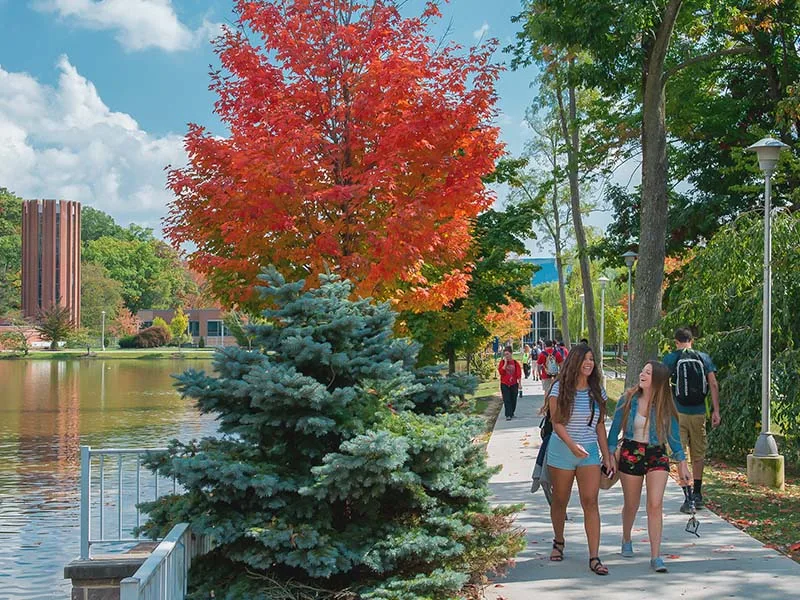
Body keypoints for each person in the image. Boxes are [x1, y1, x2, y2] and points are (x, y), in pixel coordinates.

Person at [607, 361, 692, 573]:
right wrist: (609, 455)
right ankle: (626, 538)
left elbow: (673, 437)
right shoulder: (628, 399)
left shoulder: (665, 404)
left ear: (659, 380)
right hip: (631, 452)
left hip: (656, 453)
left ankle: (656, 556)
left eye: (648, 373)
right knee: (632, 504)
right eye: (643, 370)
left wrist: (682, 462)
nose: (642, 374)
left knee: (655, 504)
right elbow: (614, 429)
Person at [545, 344, 613, 575]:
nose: (589, 363)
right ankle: (558, 541)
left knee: (590, 501)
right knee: (560, 500)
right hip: (563, 450)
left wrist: (607, 455)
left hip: (589, 453)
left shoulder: (597, 391)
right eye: (585, 359)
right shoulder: (558, 389)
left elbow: (600, 425)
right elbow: (557, 422)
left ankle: (594, 557)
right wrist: (573, 446)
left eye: (592, 359)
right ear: (574, 362)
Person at [662, 327, 720, 512]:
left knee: (681, 454)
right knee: (698, 453)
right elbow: (713, 383)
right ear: (691, 340)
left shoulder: (671, 358)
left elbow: (663, 385)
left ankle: (688, 498)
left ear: (676, 341)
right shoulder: (703, 357)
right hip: (699, 413)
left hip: (678, 412)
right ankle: (698, 493)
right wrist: (716, 411)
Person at [498, 347, 521, 421]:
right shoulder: (502, 362)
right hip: (504, 383)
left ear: (511, 354)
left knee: (513, 399)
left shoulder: (515, 363)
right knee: (506, 399)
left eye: (507, 354)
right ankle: (508, 414)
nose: (506, 356)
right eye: (505, 355)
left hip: (514, 384)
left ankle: (512, 412)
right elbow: (501, 372)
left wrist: (520, 384)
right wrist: (505, 363)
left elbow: (518, 374)